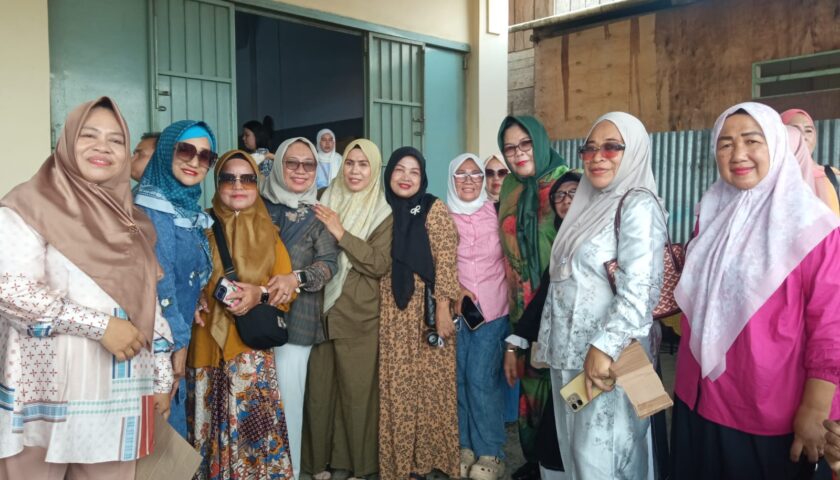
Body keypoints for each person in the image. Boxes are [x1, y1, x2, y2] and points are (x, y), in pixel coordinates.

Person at [0, 97, 173, 478]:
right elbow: (11, 292)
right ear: (65, 142)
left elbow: (149, 304)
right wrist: (101, 326)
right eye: (88, 135)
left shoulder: (132, 222)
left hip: (120, 391)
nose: (102, 147)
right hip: (43, 392)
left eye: (116, 140)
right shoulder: (26, 207)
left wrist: (161, 376)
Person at [671, 102, 840, 479]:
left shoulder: (814, 228)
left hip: (766, 410)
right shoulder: (711, 213)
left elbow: (832, 327)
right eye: (725, 144)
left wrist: (815, 409)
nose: (738, 154)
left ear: (777, 146)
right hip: (695, 396)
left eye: (752, 141)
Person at [539, 112, 666, 479]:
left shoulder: (638, 204)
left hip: (610, 359)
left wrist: (606, 347)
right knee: (578, 455)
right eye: (589, 149)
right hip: (571, 358)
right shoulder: (588, 205)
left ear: (634, 150)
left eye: (611, 147)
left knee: (605, 458)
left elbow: (641, 288)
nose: (597, 157)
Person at [187, 150, 296, 479]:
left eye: (247, 179)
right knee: (206, 436)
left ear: (257, 184)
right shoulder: (198, 227)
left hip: (250, 354)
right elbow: (181, 277)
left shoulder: (269, 232)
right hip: (206, 347)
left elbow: (285, 291)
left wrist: (258, 294)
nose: (238, 186)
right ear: (217, 183)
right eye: (228, 178)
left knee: (253, 443)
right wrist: (194, 296)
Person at [303, 139, 393, 480]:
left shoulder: (384, 212)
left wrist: (341, 232)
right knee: (319, 393)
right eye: (350, 163)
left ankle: (358, 467)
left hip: (358, 314)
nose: (355, 171)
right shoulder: (323, 198)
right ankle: (318, 464)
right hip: (317, 312)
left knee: (357, 396)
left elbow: (378, 263)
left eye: (363, 164)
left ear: (374, 169)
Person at [378, 147, 460, 480]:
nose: (406, 177)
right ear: (389, 174)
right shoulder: (381, 209)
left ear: (423, 177)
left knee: (429, 388)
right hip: (391, 313)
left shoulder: (432, 208)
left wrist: (443, 308)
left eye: (414, 171)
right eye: (399, 169)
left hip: (426, 311)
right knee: (398, 387)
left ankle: (427, 460)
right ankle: (401, 463)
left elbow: (446, 260)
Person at [261, 137, 339, 479]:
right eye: (291, 162)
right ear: (278, 165)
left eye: (308, 164)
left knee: (289, 403)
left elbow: (329, 263)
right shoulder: (256, 205)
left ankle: (288, 473)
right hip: (249, 318)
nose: (300, 170)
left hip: (297, 322)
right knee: (253, 402)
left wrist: (295, 278)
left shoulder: (317, 215)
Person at [135, 119, 217, 439]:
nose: (195, 161)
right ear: (167, 151)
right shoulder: (153, 208)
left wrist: (196, 296)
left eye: (205, 156)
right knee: (157, 436)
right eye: (185, 150)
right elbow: (161, 282)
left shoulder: (182, 206)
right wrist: (179, 346)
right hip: (156, 345)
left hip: (172, 335)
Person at [496, 115, 568, 480]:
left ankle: (558, 463)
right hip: (519, 309)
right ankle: (535, 461)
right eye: (509, 148)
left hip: (556, 308)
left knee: (560, 390)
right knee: (529, 389)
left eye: (525, 143)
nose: (518, 153)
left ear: (539, 140)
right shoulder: (510, 186)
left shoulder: (568, 184)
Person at [504, 171, 581, 479]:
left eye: (574, 193)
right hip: (569, 354)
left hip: (598, 354)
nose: (565, 200)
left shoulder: (601, 235)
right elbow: (546, 295)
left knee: (585, 422)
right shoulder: (564, 240)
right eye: (559, 195)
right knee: (565, 417)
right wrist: (516, 342)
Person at [447, 153, 510, 480]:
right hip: (456, 311)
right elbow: (436, 262)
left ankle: (491, 451)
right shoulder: (442, 216)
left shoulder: (497, 212)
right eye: (461, 174)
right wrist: (454, 289)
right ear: (451, 179)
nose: (469, 180)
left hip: (494, 309)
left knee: (481, 379)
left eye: (475, 174)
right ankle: (465, 447)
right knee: (458, 379)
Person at [781, 109, 840, 215]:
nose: (803, 137)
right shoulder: (769, 179)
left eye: (808, 131)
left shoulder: (832, 176)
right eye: (795, 130)